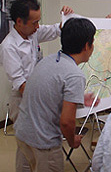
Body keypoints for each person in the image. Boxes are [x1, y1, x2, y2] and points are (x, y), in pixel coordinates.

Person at [14, 18, 98, 172]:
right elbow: (66, 122)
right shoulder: (74, 75)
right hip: (43, 143)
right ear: (87, 45)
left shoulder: (49, 60)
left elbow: (49, 92)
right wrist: (73, 141)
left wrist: (79, 98)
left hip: (23, 134)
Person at [0, 0, 74, 123]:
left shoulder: (32, 33)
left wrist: (67, 17)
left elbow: (55, 29)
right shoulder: (9, 47)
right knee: (28, 140)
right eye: (34, 23)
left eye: (38, 21)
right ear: (19, 22)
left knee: (42, 137)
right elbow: (21, 84)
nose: (38, 26)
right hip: (23, 98)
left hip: (36, 91)